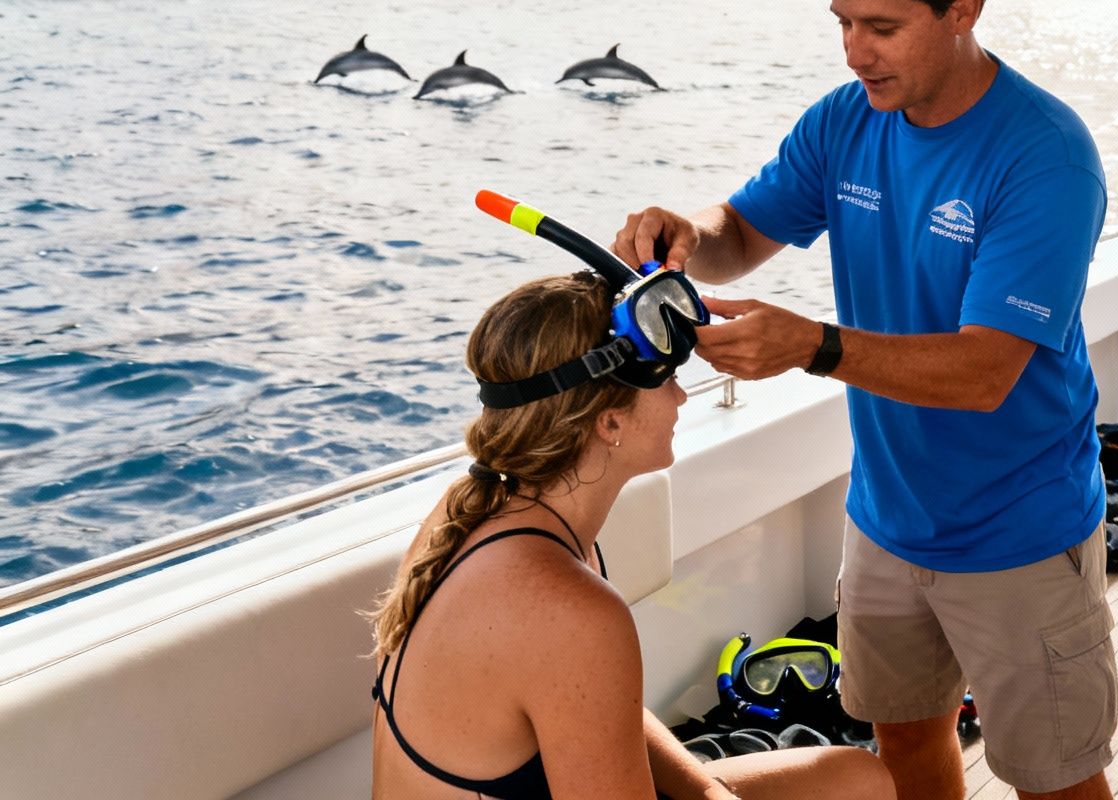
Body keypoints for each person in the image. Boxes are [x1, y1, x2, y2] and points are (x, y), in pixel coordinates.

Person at [613, 0, 1118, 800]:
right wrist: (687, 233)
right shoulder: (846, 121)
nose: (855, 52)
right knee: (906, 752)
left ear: (963, 9)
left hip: (1020, 531)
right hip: (884, 519)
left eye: (880, 28)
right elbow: (741, 233)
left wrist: (814, 346)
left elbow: (984, 373)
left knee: (1056, 782)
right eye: (841, 23)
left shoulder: (1045, 155)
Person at [369, 272, 893, 800]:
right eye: (666, 379)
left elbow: (589, 702)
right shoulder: (569, 608)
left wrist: (708, 793)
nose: (683, 395)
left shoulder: (479, 506)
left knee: (858, 779)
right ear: (609, 423)